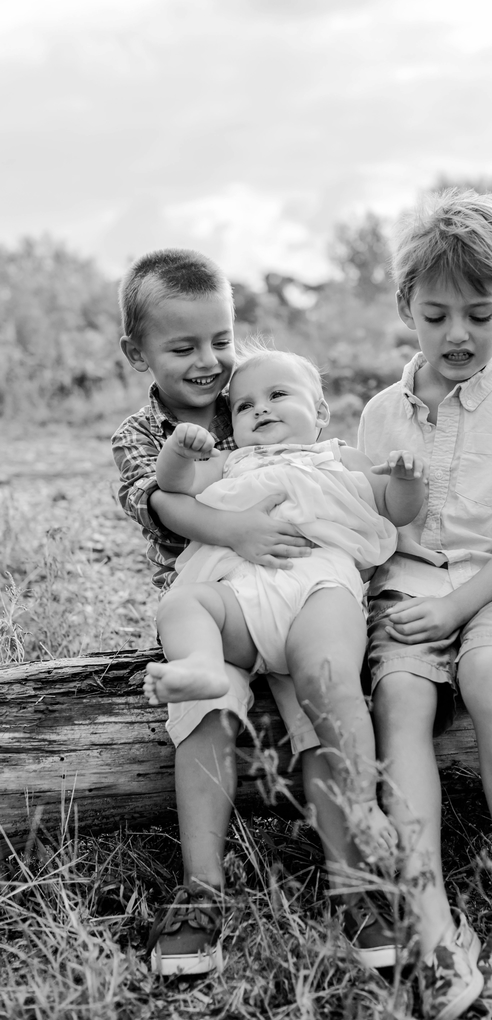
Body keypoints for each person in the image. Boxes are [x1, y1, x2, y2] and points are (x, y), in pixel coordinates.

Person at [111, 249, 417, 977]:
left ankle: (354, 885)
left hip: (309, 593)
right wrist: (231, 518)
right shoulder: (146, 435)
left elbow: (366, 484)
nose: (210, 363)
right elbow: (158, 501)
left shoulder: (259, 393)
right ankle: (201, 890)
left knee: (323, 697)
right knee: (202, 708)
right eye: (183, 347)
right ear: (138, 353)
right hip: (223, 608)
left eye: (221, 340)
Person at [357, 188, 492, 1018]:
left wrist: (460, 611)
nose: (458, 334)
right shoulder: (382, 413)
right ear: (406, 306)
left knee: (488, 673)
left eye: (479, 315)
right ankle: (432, 919)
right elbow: (369, 529)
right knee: (402, 696)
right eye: (437, 313)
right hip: (409, 590)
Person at [143, 346, 426, 880]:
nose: (261, 409)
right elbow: (175, 486)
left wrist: (409, 480)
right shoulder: (229, 461)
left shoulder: (341, 456)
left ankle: (362, 800)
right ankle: (202, 665)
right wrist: (180, 451)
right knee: (182, 603)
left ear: (319, 414)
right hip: (241, 602)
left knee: (329, 677)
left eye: (278, 395)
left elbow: (396, 506)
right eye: (245, 405)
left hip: (319, 589)